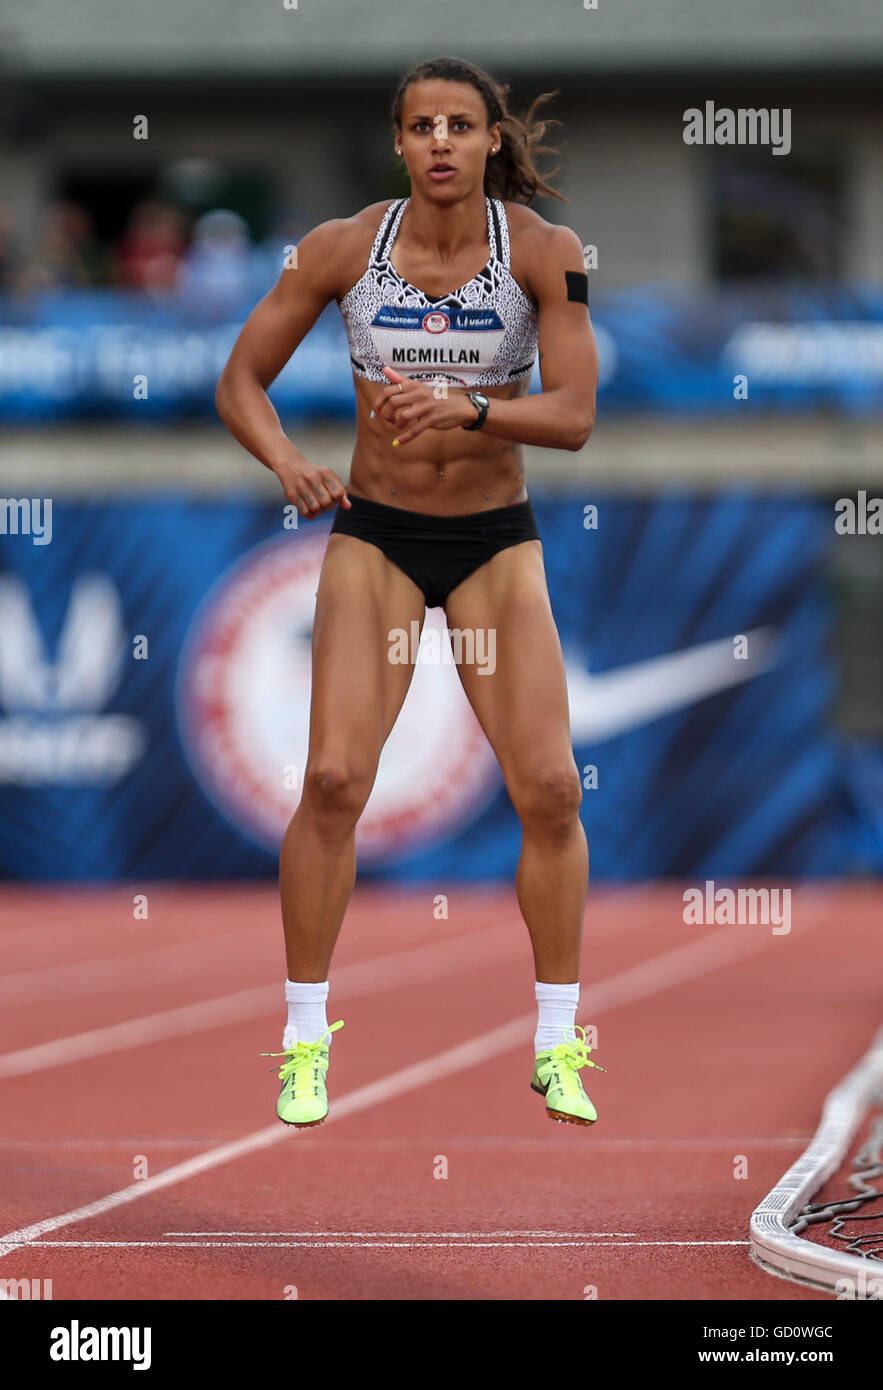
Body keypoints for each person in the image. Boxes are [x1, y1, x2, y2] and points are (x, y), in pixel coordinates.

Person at [215, 55, 602, 1130]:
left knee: (552, 791)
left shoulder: (543, 254)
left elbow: (573, 414)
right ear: (399, 142)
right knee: (333, 779)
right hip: (378, 535)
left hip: (491, 541)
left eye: (460, 126)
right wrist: (289, 461)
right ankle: (302, 1039)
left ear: (488, 143)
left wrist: (469, 412)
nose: (440, 142)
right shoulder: (343, 250)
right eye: (421, 125)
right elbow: (238, 381)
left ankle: (559, 1039)